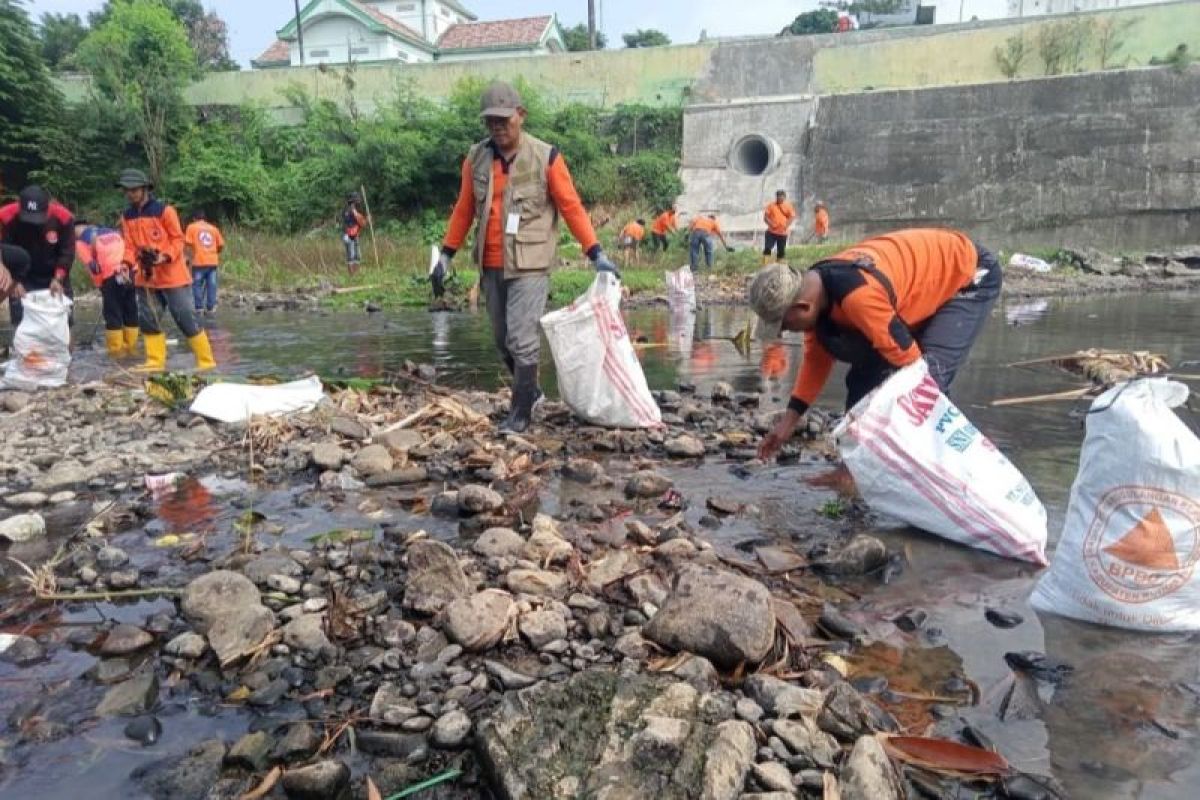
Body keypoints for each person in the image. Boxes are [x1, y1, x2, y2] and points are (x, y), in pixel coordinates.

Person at [437, 81, 618, 433]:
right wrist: (445, 256)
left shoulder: (546, 156)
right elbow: (463, 209)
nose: (498, 128)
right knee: (502, 339)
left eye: (504, 120)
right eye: (491, 122)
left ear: (521, 115)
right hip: (490, 262)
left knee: (521, 336)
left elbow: (571, 207)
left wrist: (596, 253)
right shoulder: (475, 158)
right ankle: (531, 391)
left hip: (531, 262)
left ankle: (520, 412)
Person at [750, 228, 1002, 461]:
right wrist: (788, 423)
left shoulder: (860, 298)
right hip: (908, 294)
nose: (783, 333)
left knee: (928, 380)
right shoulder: (816, 293)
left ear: (802, 307)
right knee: (864, 381)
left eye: (783, 325)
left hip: (967, 275)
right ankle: (858, 467)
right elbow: (817, 361)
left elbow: (914, 370)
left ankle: (945, 462)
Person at [116, 168, 215, 372]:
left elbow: (178, 239)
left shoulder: (165, 211)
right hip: (146, 276)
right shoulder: (127, 217)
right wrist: (125, 264)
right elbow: (129, 246)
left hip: (172, 275)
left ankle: (206, 362)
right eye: (127, 190)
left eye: (134, 190)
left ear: (145, 189)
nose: (130, 194)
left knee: (185, 317)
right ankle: (154, 361)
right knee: (148, 320)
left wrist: (164, 256)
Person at [0, 185, 76, 328]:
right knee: (22, 324)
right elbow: (4, 249)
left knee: (64, 324)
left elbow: (67, 252)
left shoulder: (63, 218)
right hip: (21, 275)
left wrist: (58, 278)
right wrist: (14, 281)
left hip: (54, 272)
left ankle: (65, 349)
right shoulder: (6, 216)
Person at [76, 219, 138, 358]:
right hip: (130, 271)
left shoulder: (81, 242)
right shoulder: (112, 232)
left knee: (112, 314)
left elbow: (93, 267)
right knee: (130, 310)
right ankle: (131, 349)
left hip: (111, 275)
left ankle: (116, 353)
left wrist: (100, 286)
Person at [184, 210, 224, 315]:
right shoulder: (213, 229)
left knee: (197, 284)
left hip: (199, 261)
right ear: (204, 218)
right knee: (212, 285)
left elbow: (188, 244)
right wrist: (215, 252)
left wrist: (188, 259)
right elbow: (220, 245)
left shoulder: (191, 227)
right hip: (212, 261)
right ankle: (211, 308)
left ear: (194, 219)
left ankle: (199, 308)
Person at [762, 190, 797, 265]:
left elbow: (792, 216)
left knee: (781, 251)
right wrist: (771, 224)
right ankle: (765, 265)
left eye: (782, 196)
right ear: (776, 197)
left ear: (784, 197)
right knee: (768, 248)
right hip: (771, 232)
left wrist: (786, 225)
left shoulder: (788, 206)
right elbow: (765, 217)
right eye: (778, 196)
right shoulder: (771, 205)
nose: (780, 198)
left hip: (782, 233)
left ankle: (780, 267)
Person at [342, 193, 366, 274]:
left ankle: (357, 274)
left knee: (357, 255)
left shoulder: (355, 210)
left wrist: (366, 220)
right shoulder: (347, 210)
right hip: (348, 235)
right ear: (352, 201)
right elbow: (347, 223)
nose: (358, 201)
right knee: (351, 256)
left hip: (355, 235)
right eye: (356, 200)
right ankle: (352, 275)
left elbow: (361, 222)